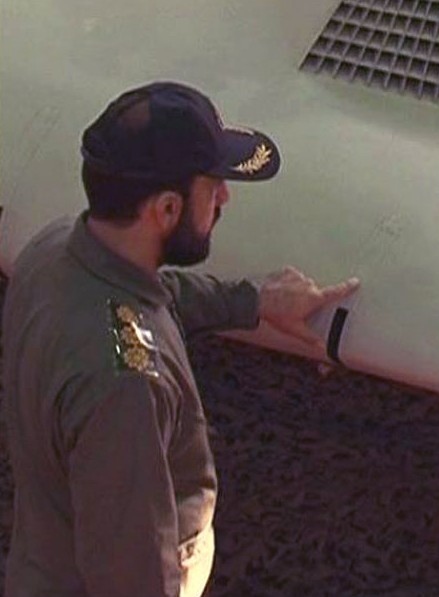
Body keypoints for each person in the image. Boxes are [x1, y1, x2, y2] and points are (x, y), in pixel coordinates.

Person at [2, 82, 359, 597]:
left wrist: (254, 301)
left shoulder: (52, 251)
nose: (225, 198)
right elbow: (132, 577)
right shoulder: (124, 387)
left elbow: (150, 295)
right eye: (212, 187)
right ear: (167, 209)